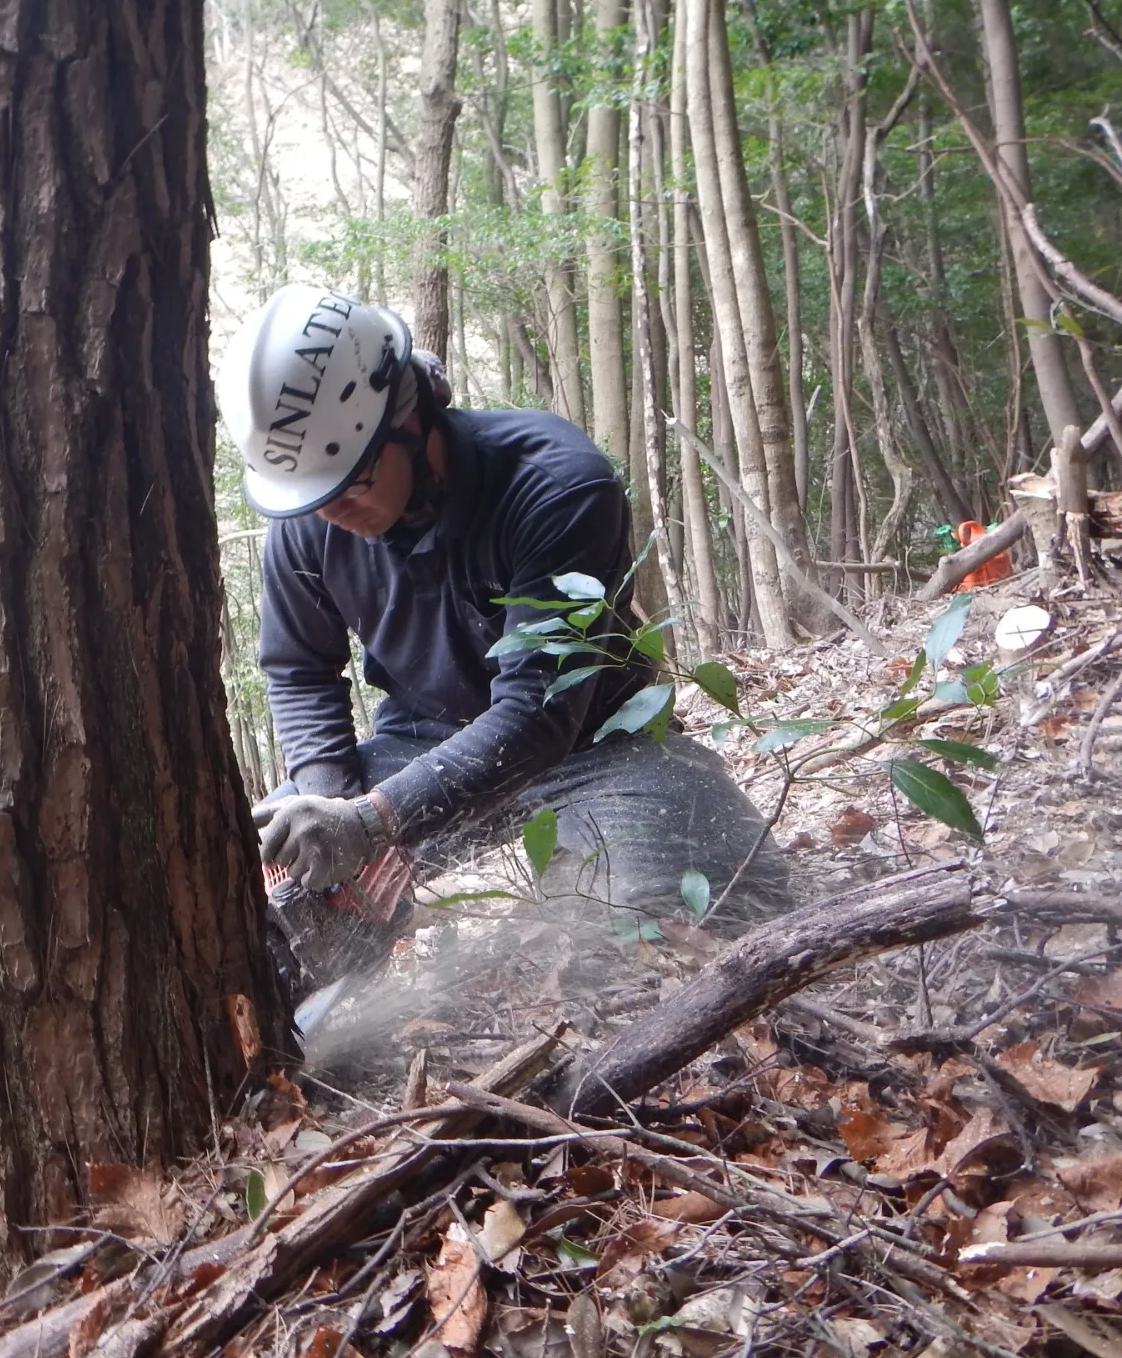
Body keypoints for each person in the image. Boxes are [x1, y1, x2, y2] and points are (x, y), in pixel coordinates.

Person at [218, 284, 790, 996]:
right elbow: (300, 670)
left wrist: (374, 821)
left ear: (408, 418)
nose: (330, 513)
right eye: (310, 497)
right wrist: (335, 819)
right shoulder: (311, 520)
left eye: (350, 484)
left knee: (654, 926)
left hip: (595, 745)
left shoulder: (554, 486)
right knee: (264, 880)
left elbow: (537, 715)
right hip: (422, 742)